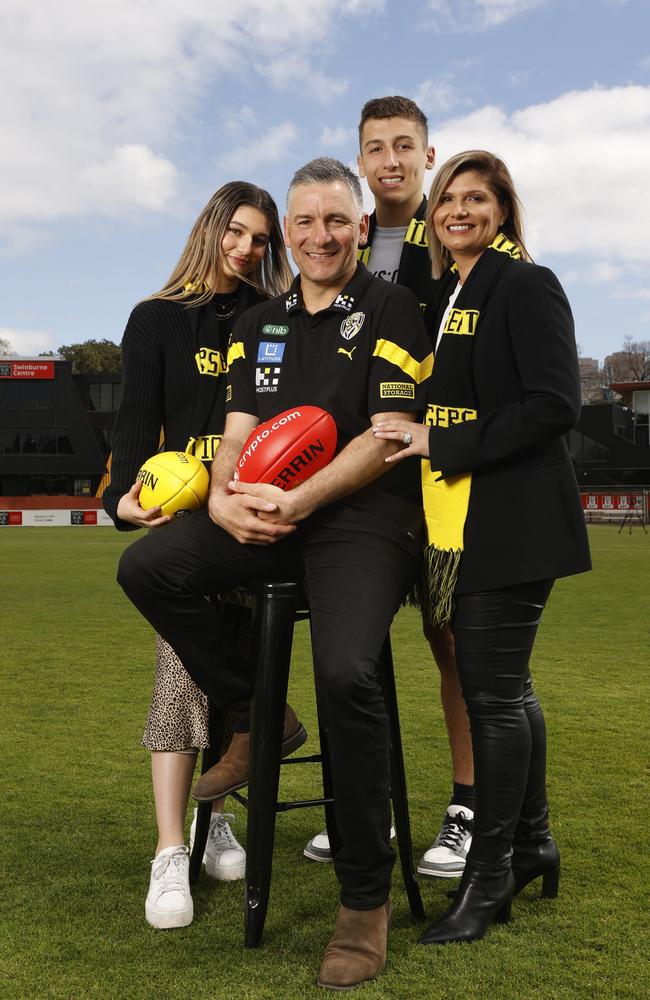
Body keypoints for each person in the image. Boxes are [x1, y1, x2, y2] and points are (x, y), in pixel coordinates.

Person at [116, 157, 432, 989]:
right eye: (304, 222)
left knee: (345, 667)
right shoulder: (261, 321)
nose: (318, 236)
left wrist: (299, 503)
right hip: (266, 512)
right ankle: (255, 712)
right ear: (288, 232)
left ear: (359, 228)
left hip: (365, 519)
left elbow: (389, 432)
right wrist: (222, 502)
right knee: (149, 567)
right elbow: (237, 429)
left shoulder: (395, 307)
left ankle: (364, 902)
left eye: (336, 220)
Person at [373, 150, 591, 944]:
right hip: (470, 523)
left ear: (503, 208)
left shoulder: (525, 282)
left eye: (476, 198)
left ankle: (491, 872)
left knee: (494, 696)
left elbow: (554, 404)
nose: (458, 211)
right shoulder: (457, 291)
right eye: (447, 201)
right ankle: (531, 842)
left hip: (515, 522)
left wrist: (439, 438)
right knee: (508, 690)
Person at [103, 181, 305, 930]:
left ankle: (212, 817)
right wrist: (122, 500)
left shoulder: (278, 319)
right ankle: (169, 848)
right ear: (211, 229)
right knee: (182, 672)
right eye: (238, 233)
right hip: (186, 521)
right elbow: (135, 419)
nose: (248, 249)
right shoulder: (156, 319)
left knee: (237, 647)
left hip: (257, 516)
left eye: (261, 239)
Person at [304, 95, 476, 879]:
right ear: (360, 158)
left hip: (441, 473)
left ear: (429, 154)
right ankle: (362, 813)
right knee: (353, 648)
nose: (391, 161)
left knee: (456, 647)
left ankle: (468, 811)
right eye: (376, 147)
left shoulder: (452, 236)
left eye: (405, 145)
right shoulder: (342, 237)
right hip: (356, 483)